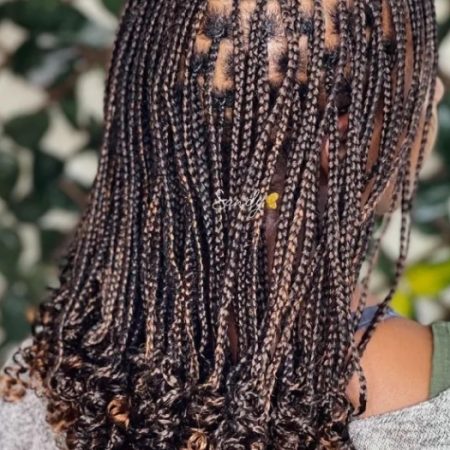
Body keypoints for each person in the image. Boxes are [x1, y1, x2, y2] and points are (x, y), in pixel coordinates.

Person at [0, 0, 448, 448]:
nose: (439, 90)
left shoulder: (45, 376)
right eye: (422, 75)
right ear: (343, 135)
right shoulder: (426, 398)